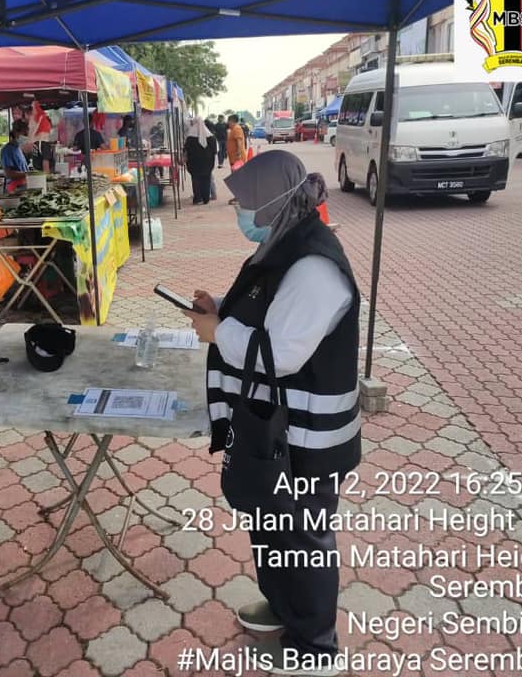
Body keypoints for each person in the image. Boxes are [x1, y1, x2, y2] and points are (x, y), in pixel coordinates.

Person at [181, 150, 360, 677]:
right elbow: (269, 312)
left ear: (271, 202)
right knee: (272, 527)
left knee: (301, 539)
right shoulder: (283, 243)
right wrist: (221, 309)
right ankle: (285, 609)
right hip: (276, 429)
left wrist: (219, 333)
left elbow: (282, 352)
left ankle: (314, 647)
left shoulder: (314, 266)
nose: (237, 210)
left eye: (242, 201)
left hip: (309, 441)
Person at [183, 117, 216, 205]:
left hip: (194, 163)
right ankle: (206, 198)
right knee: (206, 179)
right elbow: (214, 150)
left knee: (196, 179)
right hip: (207, 162)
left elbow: (186, 149)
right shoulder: (211, 137)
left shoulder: (190, 137)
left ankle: (197, 198)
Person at [0, 119, 30, 193]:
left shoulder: (18, 148)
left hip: (23, 184)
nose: (26, 137)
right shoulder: (7, 150)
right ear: (16, 133)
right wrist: (28, 174)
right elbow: (8, 174)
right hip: (15, 188)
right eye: (25, 134)